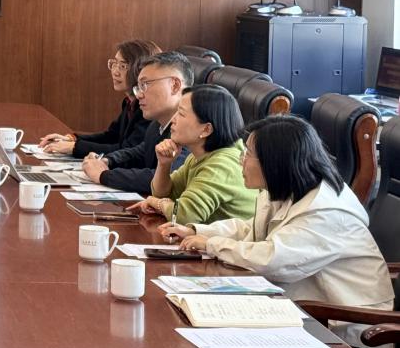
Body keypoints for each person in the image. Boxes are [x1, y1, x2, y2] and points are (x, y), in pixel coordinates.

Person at [160, 115, 393, 311]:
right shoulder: (285, 187)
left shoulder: (326, 211)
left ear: (274, 162)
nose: (241, 161)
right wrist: (196, 231)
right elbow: (252, 228)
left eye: (248, 154)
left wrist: (212, 245)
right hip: (302, 305)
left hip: (344, 323)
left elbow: (273, 260)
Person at [127, 84, 256, 225]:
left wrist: (158, 204)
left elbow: (184, 216)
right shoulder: (199, 156)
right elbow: (162, 193)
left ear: (206, 129)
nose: (173, 119)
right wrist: (164, 164)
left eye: (181, 114)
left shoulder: (222, 165)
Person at [80, 51, 193, 195]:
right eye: (138, 87)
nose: (139, 95)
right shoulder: (156, 125)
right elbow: (139, 153)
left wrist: (104, 175)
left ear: (174, 85)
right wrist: (107, 161)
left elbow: (168, 177)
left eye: (145, 84)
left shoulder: (193, 127)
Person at [39, 39, 159, 158]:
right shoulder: (129, 102)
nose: (115, 72)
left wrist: (75, 147)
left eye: (123, 66)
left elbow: (126, 150)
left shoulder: (147, 107)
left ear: (140, 70)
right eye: (114, 64)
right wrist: (72, 139)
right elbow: (111, 136)